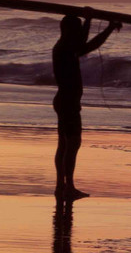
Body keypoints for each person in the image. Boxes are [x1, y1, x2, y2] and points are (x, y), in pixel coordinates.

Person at [51, 12, 120, 200]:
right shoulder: (65, 47)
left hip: (65, 100)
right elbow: (85, 43)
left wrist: (100, 25)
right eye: (77, 28)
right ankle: (68, 187)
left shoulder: (64, 46)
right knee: (72, 144)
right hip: (68, 102)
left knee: (64, 144)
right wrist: (96, 23)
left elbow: (87, 44)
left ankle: (61, 186)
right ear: (70, 30)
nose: (79, 32)